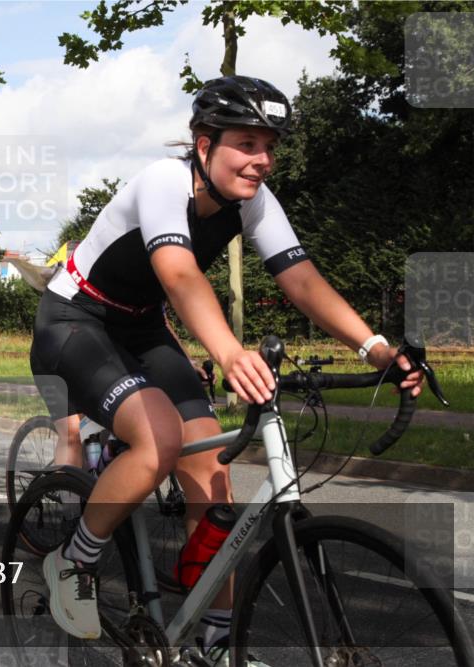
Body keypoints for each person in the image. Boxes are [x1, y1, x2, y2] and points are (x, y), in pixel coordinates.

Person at [29, 75, 424, 664]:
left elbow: (303, 281)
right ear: (204, 144)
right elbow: (180, 275)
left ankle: (213, 642)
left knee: (213, 474)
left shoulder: (253, 200)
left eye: (271, 145)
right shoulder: (164, 182)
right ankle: (73, 560)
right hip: (76, 322)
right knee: (158, 437)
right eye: (247, 142)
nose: (262, 160)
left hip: (141, 327)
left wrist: (376, 348)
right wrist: (230, 353)